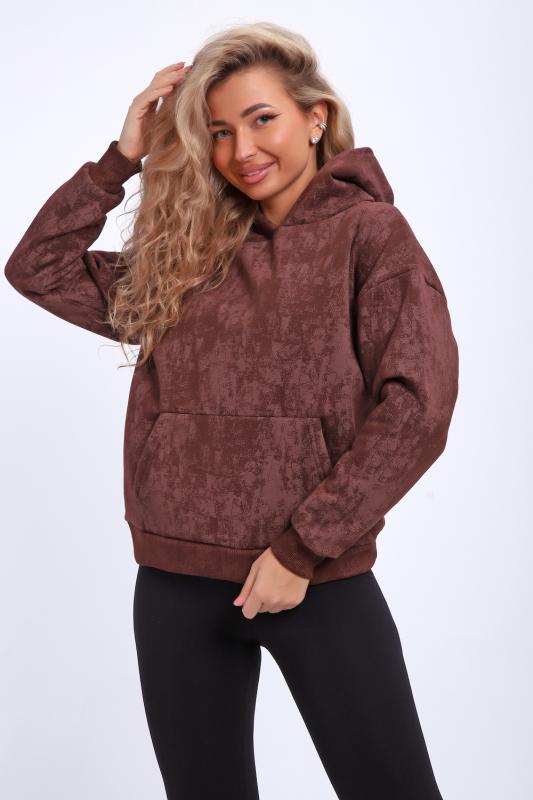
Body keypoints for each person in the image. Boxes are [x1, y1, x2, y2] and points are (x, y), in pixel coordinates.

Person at [4, 21, 459, 800]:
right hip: (174, 583)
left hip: (312, 580)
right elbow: (37, 269)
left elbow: (418, 406)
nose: (242, 148)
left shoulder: (370, 235)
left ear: (314, 117)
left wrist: (300, 550)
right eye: (218, 131)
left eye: (261, 118)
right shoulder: (188, 252)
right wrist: (120, 159)